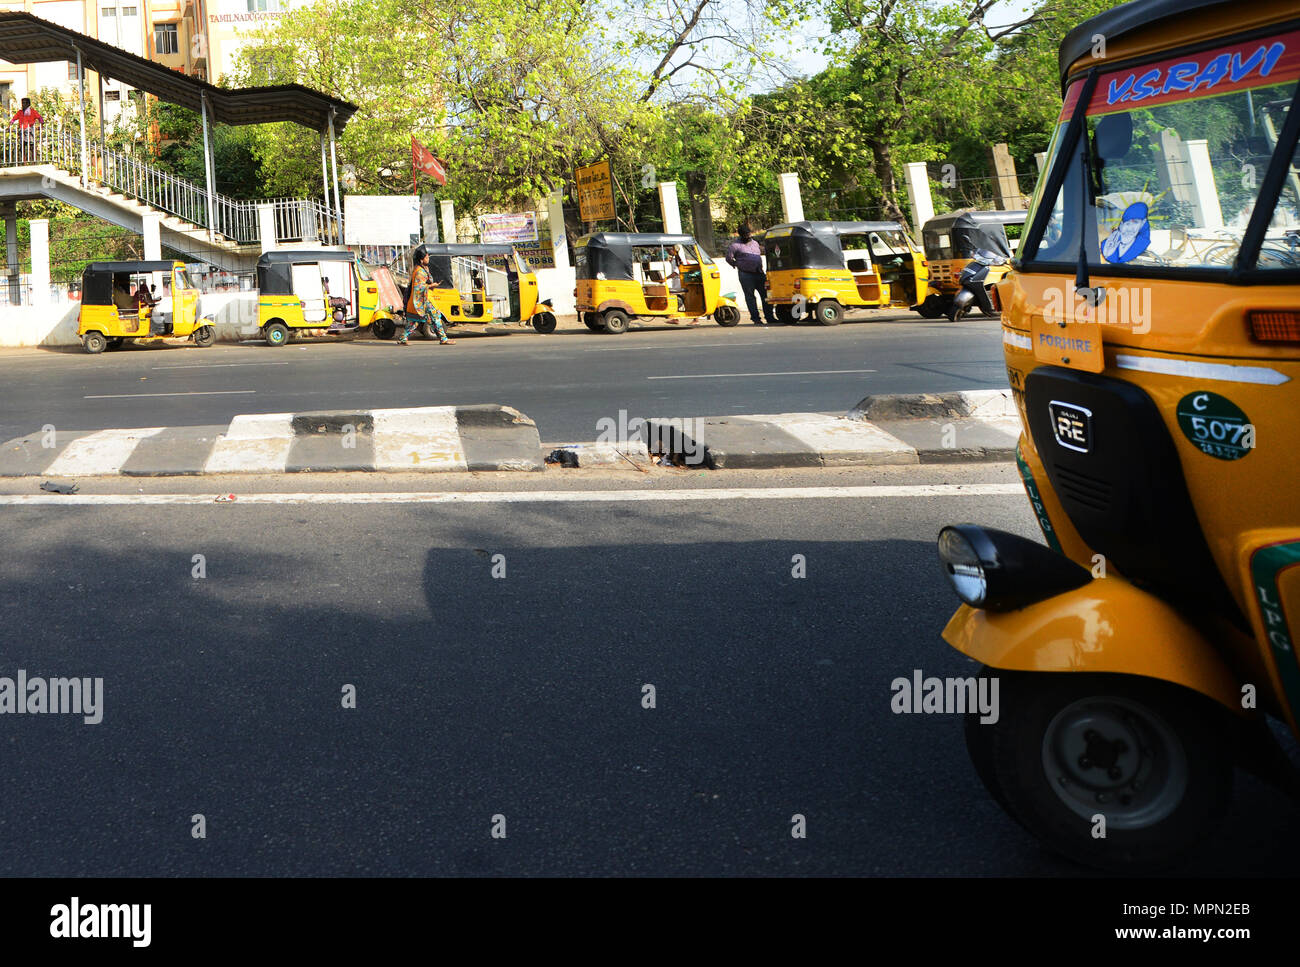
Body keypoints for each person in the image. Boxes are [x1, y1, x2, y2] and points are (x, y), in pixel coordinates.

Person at [400, 246, 452, 346]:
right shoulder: (419, 271)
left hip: (423, 299)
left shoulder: (422, 269)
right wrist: (432, 285)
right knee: (435, 316)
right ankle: (443, 338)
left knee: (415, 320)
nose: (428, 259)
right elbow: (419, 287)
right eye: (426, 257)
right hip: (423, 299)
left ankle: (403, 338)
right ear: (421, 259)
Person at [725, 223, 775, 326]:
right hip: (746, 275)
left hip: (759, 273)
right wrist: (737, 264)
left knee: (766, 296)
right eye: (745, 235)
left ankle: (770, 317)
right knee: (750, 297)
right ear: (741, 235)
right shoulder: (735, 246)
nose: (748, 236)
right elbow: (729, 258)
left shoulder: (755, 243)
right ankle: (756, 319)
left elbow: (762, 251)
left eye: (748, 234)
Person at [11, 97, 43, 162]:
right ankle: (24, 161)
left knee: (32, 146)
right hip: (22, 130)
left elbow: (40, 118)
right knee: (22, 147)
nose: (23, 105)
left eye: (25, 103)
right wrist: (10, 125)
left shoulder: (33, 111)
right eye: (22, 103)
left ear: (28, 104)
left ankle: (34, 161)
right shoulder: (20, 112)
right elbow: (13, 119)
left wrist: (41, 125)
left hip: (30, 130)